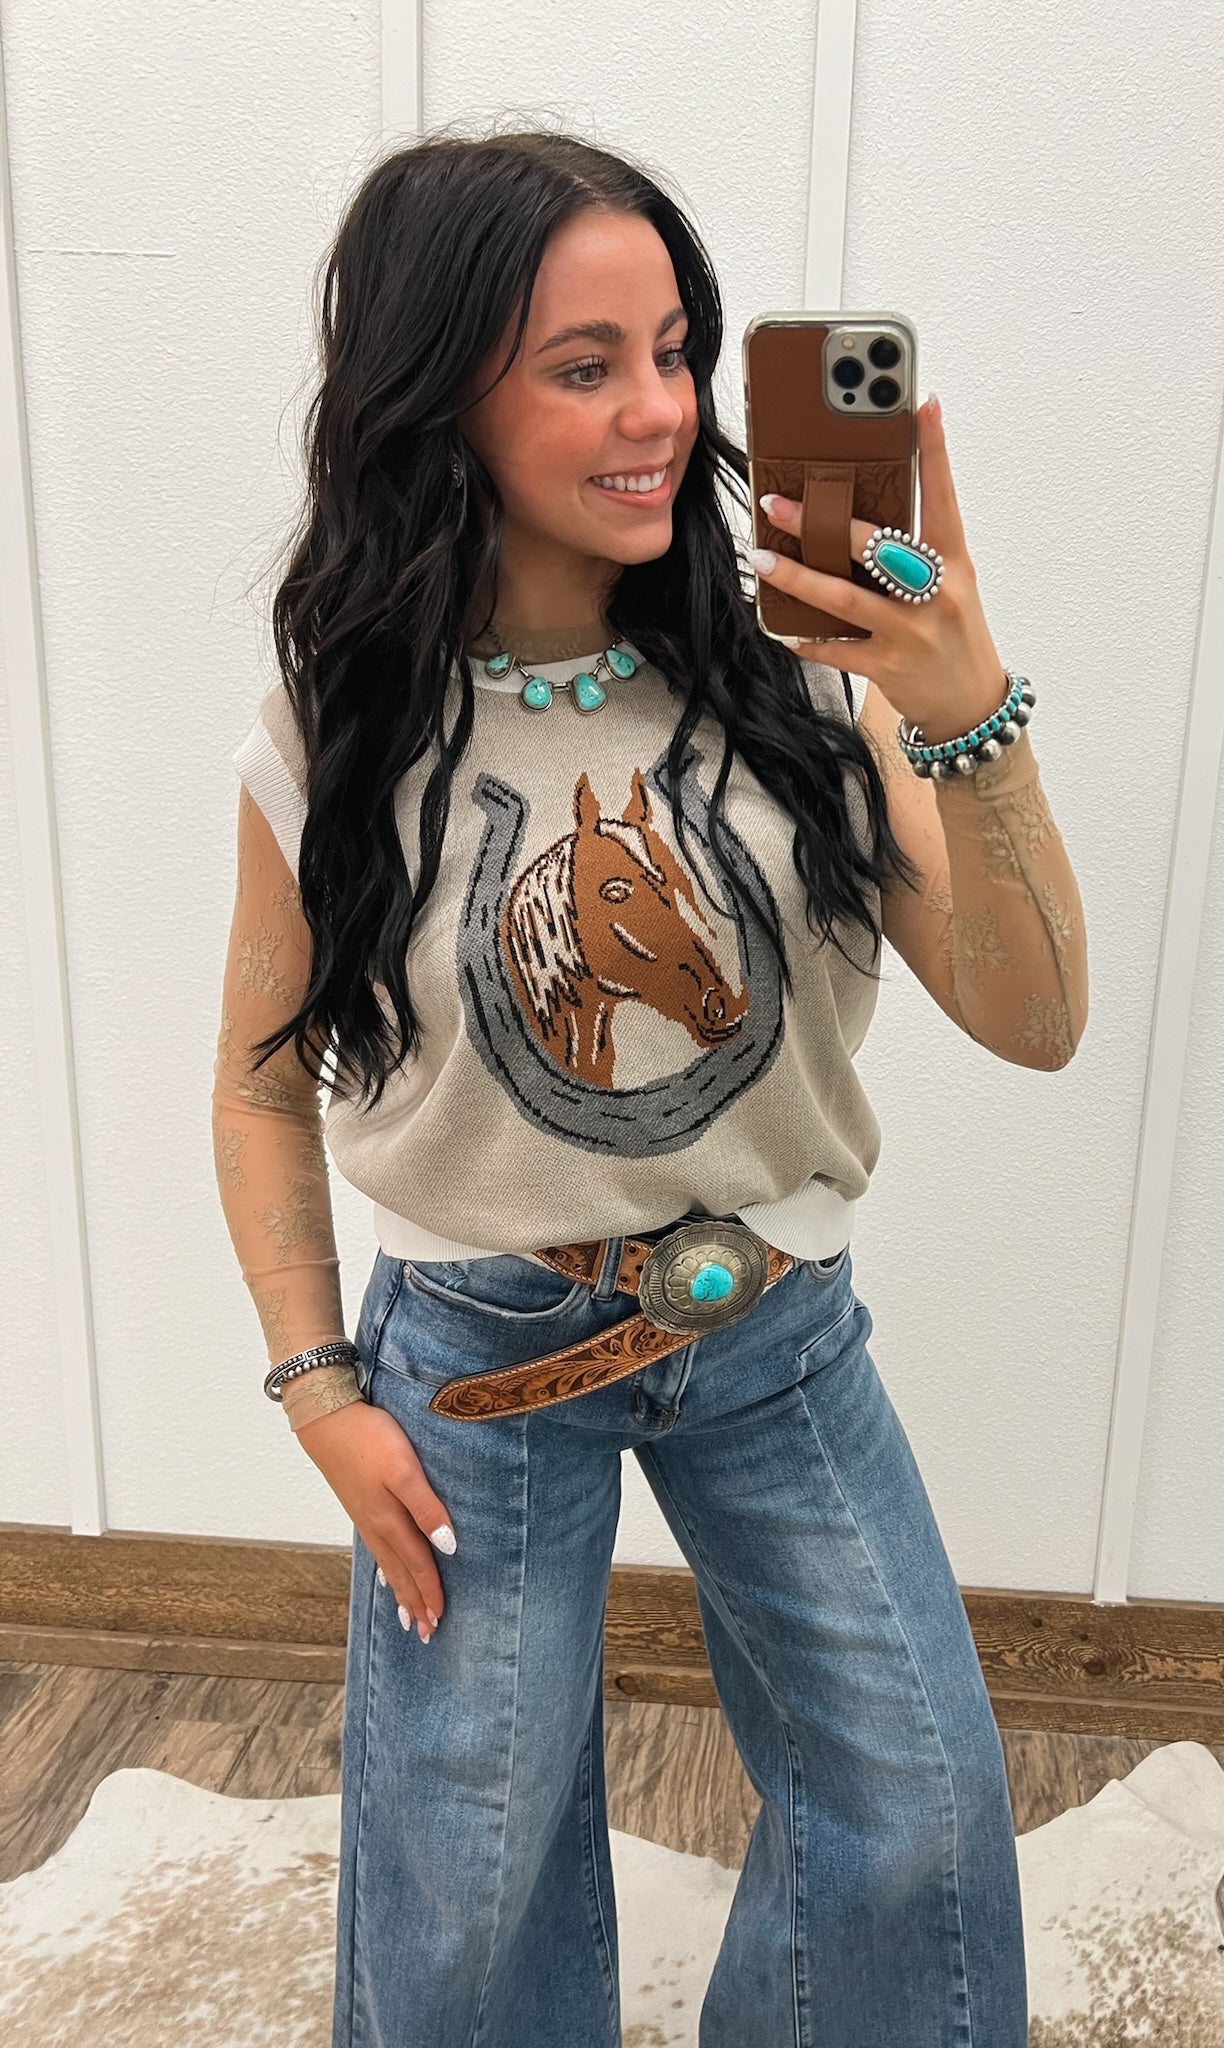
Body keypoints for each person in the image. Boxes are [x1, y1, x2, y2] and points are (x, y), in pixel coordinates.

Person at [211, 126, 1086, 2048]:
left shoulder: (806, 680)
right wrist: (319, 1388)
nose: (664, 413)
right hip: (475, 1358)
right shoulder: (343, 730)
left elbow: (1036, 1022)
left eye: (678, 352)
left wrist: (968, 713)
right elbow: (264, 1090)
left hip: (777, 1329)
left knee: (923, 1809)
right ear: (442, 393)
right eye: (585, 364)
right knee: (468, 1883)